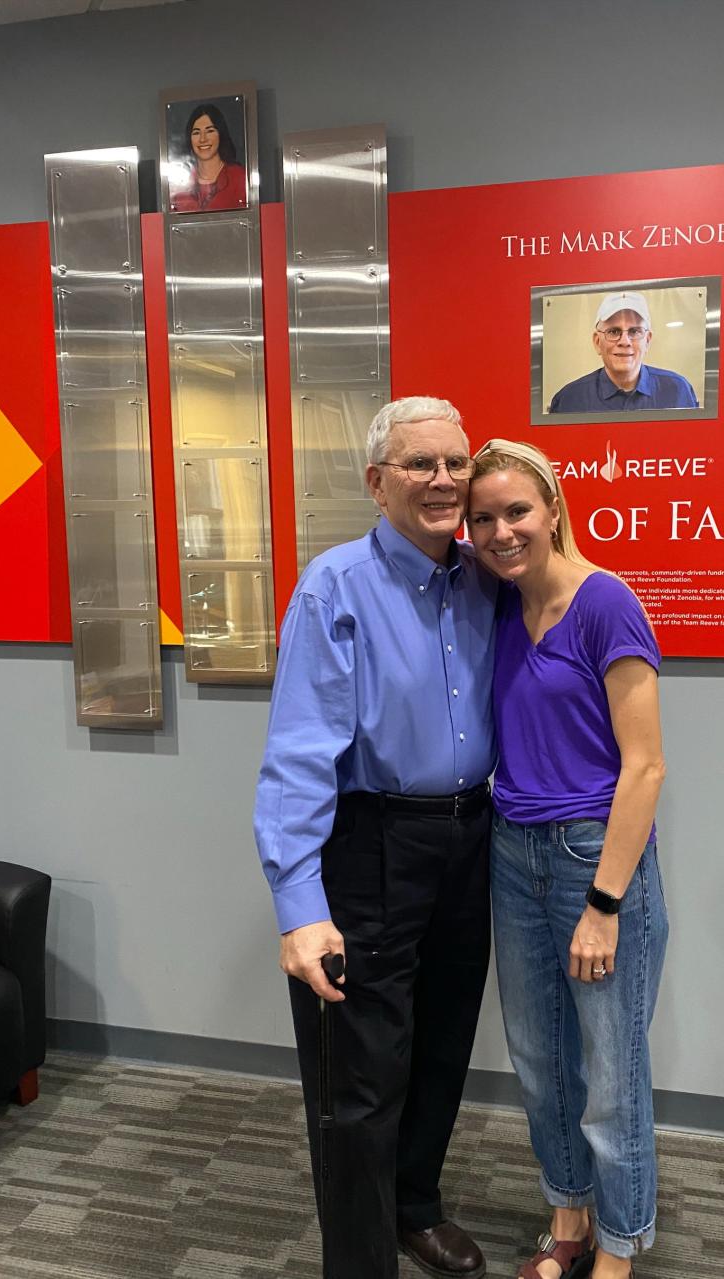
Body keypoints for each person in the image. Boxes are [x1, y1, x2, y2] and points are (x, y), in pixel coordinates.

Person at [254, 397, 497, 1279]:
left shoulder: (484, 577)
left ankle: (415, 1207)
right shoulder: (335, 587)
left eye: (454, 463)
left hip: (471, 840)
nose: (442, 480)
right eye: (418, 464)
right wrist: (298, 904)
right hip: (370, 846)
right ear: (376, 481)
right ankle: (359, 1262)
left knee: (441, 1045)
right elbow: (296, 756)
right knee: (358, 1080)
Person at [468, 439, 668, 1279]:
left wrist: (605, 903)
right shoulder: (497, 604)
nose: (502, 530)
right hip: (513, 852)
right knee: (542, 1060)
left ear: (552, 509)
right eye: (484, 517)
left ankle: (620, 1251)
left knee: (611, 1074)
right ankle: (570, 1219)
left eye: (517, 511)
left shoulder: (605, 602)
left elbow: (646, 764)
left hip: (596, 861)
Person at [549, 291, 698, 414]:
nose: (624, 341)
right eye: (613, 331)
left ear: (647, 341)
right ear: (597, 342)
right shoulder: (569, 400)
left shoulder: (678, 391)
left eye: (634, 331)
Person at [169, 102, 247, 213]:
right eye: (196, 133)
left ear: (221, 134)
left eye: (210, 131)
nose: (202, 139)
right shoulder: (180, 185)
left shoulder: (239, 177)